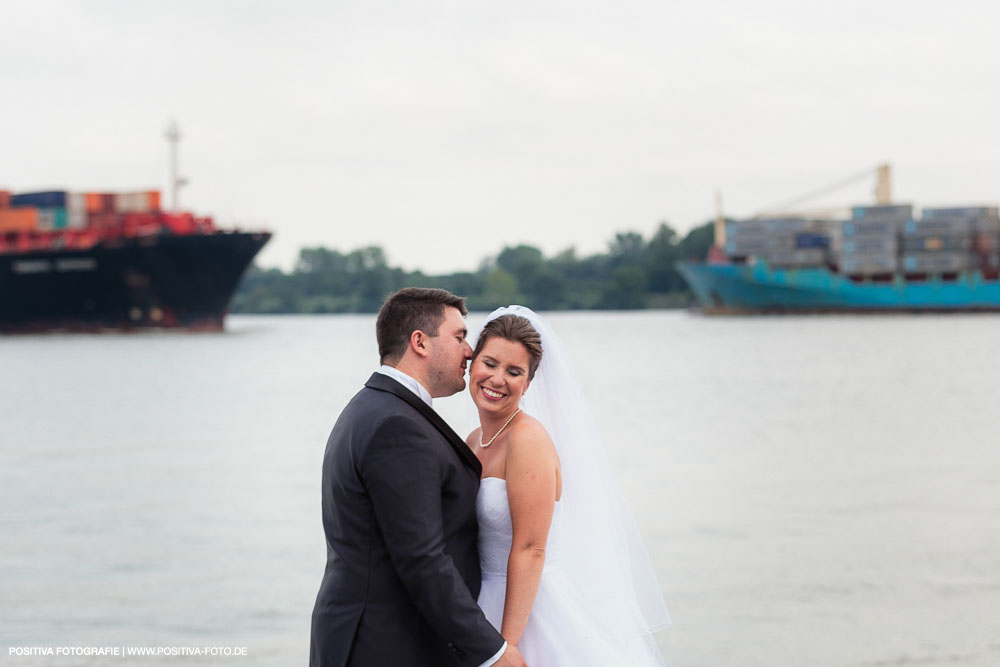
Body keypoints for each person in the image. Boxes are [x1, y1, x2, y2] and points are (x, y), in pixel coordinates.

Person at [310, 288, 527, 667]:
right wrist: (492, 652)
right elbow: (422, 557)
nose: (470, 351)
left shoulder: (374, 407)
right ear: (420, 342)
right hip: (385, 646)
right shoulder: (397, 425)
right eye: (459, 336)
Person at [466, 306, 671, 665]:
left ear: (528, 383)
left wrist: (506, 646)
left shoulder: (526, 439)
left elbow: (531, 548)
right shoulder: (473, 441)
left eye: (514, 371)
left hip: (526, 614)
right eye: (491, 363)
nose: (497, 379)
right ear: (472, 363)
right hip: (482, 601)